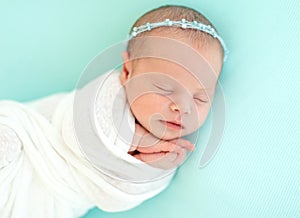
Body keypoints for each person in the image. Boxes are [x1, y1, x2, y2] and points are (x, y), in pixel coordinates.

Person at [0, 5, 227, 218]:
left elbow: (113, 199)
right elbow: (77, 130)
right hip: (28, 145)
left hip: (45, 200)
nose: (183, 107)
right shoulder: (106, 94)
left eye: (200, 98)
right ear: (127, 72)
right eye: (165, 89)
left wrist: (154, 168)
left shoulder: (167, 154)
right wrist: (133, 139)